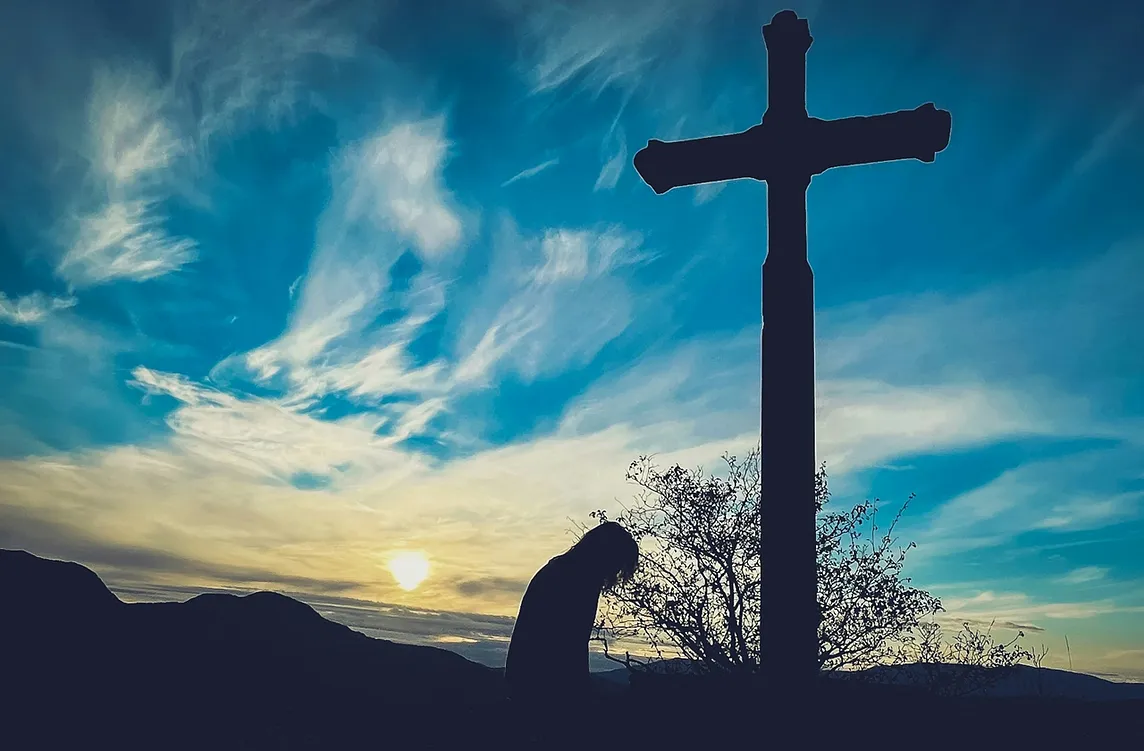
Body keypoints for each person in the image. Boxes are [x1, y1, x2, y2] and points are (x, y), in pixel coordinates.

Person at [504, 521, 639, 744]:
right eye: (617, 564)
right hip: (545, 683)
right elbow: (569, 643)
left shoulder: (564, 571)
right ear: (606, 555)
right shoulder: (578, 579)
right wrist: (578, 692)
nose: (615, 572)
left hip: (530, 676)